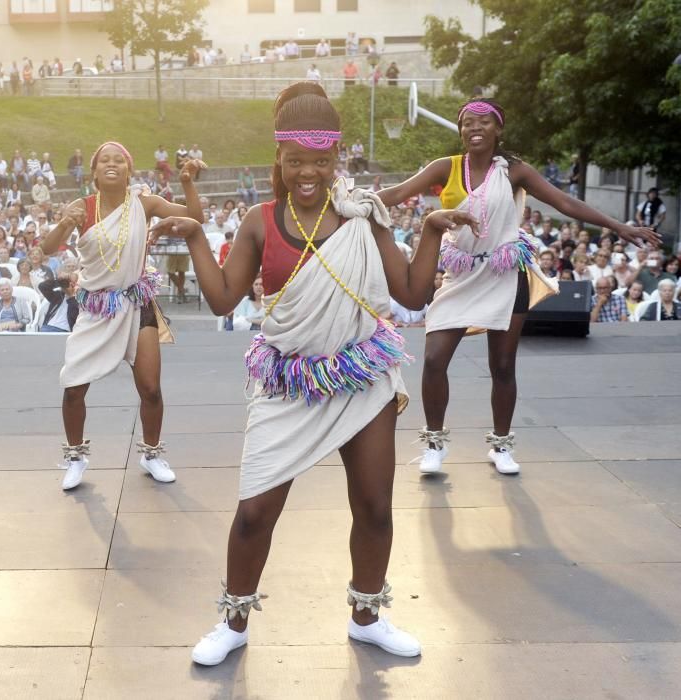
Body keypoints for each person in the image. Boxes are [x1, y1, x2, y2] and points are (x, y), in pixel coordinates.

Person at [149, 82, 474, 667]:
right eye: (295, 160)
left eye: (320, 161)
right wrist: (198, 236)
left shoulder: (363, 215)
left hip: (360, 376)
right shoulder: (257, 221)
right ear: (279, 157)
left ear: (336, 157)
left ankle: (368, 616)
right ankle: (234, 620)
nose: (308, 172)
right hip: (289, 382)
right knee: (253, 514)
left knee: (374, 507)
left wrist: (429, 230)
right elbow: (224, 301)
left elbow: (413, 293)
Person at [378, 97, 660, 476]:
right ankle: (434, 443)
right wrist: (341, 205)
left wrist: (618, 227)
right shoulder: (445, 167)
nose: (474, 129)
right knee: (433, 359)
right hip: (461, 276)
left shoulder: (513, 170)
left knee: (503, 365)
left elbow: (563, 202)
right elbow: (394, 194)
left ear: (498, 129)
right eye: (467, 123)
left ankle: (501, 444)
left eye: (483, 123)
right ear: (460, 130)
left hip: (506, 276)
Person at [39, 142, 205, 491]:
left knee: (151, 389)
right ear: (95, 171)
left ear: (129, 171)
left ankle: (152, 454)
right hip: (96, 308)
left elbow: (194, 217)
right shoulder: (81, 208)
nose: (112, 164)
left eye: (119, 160)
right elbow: (48, 248)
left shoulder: (144, 203)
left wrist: (188, 180)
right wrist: (66, 223)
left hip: (136, 303)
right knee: (73, 388)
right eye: (104, 160)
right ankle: (75, 457)